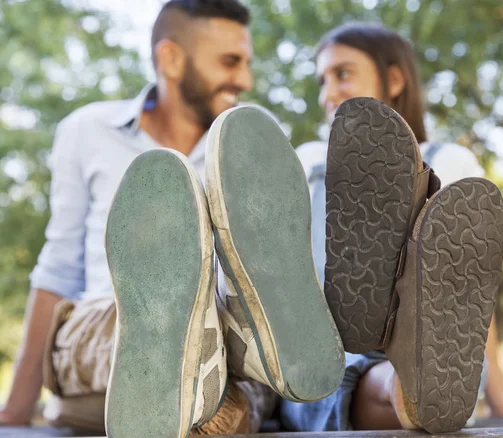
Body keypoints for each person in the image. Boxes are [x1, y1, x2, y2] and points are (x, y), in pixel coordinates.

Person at [0, 1, 346, 435]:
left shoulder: (253, 145)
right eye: (230, 61)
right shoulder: (86, 131)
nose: (245, 79)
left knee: (225, 373)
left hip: (227, 350)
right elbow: (58, 268)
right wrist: (16, 410)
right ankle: (226, 342)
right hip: (105, 335)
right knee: (168, 334)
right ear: (171, 59)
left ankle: (231, 339)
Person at [282, 22, 503, 433]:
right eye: (322, 79)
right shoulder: (308, 160)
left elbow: (469, 300)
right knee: (329, 380)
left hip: (434, 355)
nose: (327, 92)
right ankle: (406, 388)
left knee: (432, 360)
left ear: (393, 78)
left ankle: (409, 376)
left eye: (343, 73)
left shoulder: (453, 161)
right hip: (327, 357)